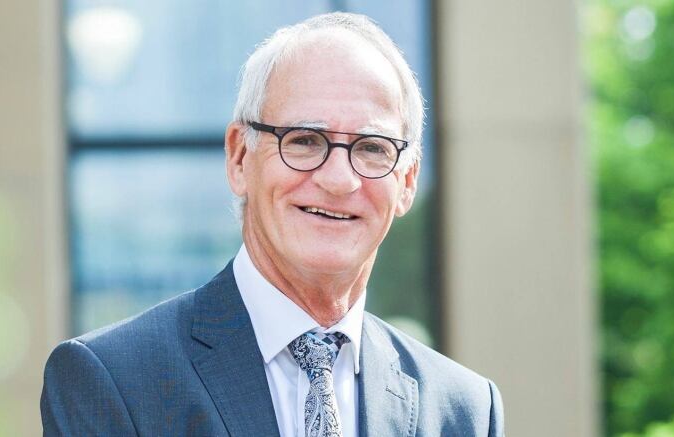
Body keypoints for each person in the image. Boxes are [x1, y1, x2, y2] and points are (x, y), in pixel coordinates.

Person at [41, 12, 504, 437]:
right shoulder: (114, 381)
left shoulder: (463, 410)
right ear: (240, 157)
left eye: (371, 148)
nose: (340, 180)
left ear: (406, 181)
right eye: (304, 140)